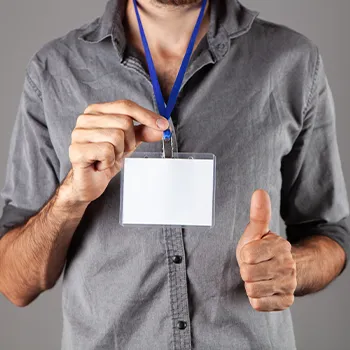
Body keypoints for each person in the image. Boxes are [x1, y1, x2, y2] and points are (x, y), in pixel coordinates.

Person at [0, 0, 349, 348]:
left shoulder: (293, 60)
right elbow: (15, 283)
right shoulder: (54, 70)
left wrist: (293, 267)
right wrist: (71, 195)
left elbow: (331, 234)